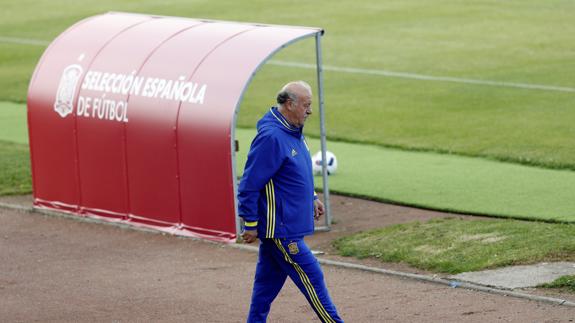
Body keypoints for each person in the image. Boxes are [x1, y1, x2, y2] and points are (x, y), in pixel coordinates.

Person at [238, 81, 343, 323]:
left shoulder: (293, 130)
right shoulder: (271, 138)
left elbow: (297, 171)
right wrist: (251, 223)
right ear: (289, 104)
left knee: (265, 287)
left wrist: (312, 197)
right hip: (282, 230)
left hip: (286, 226)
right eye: (306, 105)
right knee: (312, 276)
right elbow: (249, 184)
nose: (310, 111)